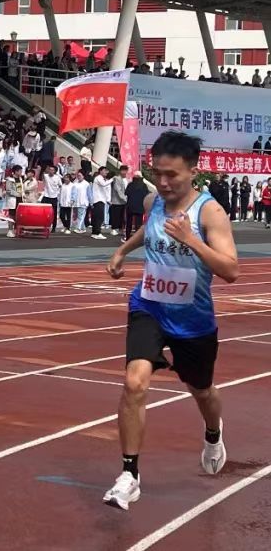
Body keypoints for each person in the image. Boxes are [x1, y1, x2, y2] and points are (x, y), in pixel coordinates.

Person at [104, 131, 238, 511]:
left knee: (202, 391)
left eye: (172, 175)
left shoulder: (209, 213)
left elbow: (231, 270)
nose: (162, 182)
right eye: (157, 173)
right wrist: (122, 250)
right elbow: (150, 229)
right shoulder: (156, 202)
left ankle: (213, 432)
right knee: (134, 382)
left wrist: (192, 240)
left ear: (193, 171)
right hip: (149, 305)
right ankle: (129, 475)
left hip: (192, 321)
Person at [124, 172, 149, 241]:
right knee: (138, 223)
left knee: (129, 223)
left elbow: (126, 193)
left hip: (130, 205)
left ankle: (127, 237)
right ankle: (137, 239)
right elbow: (146, 195)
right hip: (140, 206)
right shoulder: (144, 185)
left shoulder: (130, 184)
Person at [91, 167, 113, 240]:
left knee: (97, 217)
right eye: (104, 170)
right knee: (99, 217)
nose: (106, 172)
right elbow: (104, 184)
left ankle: (94, 233)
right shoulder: (98, 178)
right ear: (100, 171)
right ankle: (97, 233)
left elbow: (106, 190)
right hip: (98, 200)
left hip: (101, 200)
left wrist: (108, 200)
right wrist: (112, 179)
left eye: (107, 171)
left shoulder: (103, 179)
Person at [4, 165, 23, 238]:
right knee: (12, 215)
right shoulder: (9, 179)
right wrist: (17, 194)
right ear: (16, 171)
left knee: (18, 216)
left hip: (20, 200)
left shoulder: (20, 179)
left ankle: (16, 230)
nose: (21, 172)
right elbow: (8, 190)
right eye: (20, 171)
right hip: (13, 200)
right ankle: (10, 230)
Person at [110, 165, 129, 236]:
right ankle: (114, 229)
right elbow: (118, 190)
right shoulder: (117, 179)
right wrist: (125, 199)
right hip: (116, 201)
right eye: (125, 171)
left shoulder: (124, 179)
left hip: (122, 202)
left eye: (126, 171)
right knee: (116, 216)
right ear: (121, 171)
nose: (126, 173)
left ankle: (120, 228)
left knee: (121, 216)